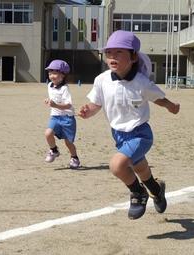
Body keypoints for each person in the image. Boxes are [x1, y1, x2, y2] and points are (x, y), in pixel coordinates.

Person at [78, 30, 180, 220]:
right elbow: (96, 104)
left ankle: (138, 193)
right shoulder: (102, 80)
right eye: (109, 53)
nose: (112, 57)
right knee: (140, 169)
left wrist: (171, 106)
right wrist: (87, 111)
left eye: (119, 53)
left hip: (140, 134)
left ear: (133, 57)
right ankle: (156, 189)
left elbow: (158, 98)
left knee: (117, 166)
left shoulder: (141, 82)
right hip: (119, 135)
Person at [44, 59, 80, 169]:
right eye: (50, 73)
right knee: (48, 133)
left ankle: (74, 158)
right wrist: (49, 101)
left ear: (63, 75)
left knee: (68, 143)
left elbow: (68, 105)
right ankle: (54, 150)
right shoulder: (50, 85)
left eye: (55, 73)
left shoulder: (65, 88)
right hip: (55, 116)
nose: (52, 76)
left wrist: (55, 105)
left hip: (67, 118)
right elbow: (53, 99)